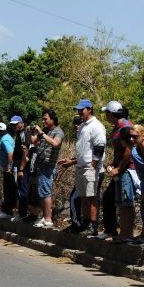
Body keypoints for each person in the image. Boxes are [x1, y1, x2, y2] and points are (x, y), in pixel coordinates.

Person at [58, 99, 106, 236]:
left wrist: (93, 165)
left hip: (91, 168)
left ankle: (93, 226)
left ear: (89, 109)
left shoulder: (96, 126)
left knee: (91, 197)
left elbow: (100, 146)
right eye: (78, 110)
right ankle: (86, 223)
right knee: (84, 196)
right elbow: (84, 149)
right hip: (81, 166)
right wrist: (73, 161)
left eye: (82, 110)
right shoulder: (83, 126)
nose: (79, 112)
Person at [101, 100, 135, 242]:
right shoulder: (116, 128)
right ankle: (115, 231)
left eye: (106, 113)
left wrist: (119, 168)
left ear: (111, 114)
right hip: (119, 170)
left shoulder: (126, 127)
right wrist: (112, 165)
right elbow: (119, 152)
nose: (105, 116)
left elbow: (129, 149)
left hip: (127, 170)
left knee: (126, 202)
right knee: (113, 200)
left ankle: (126, 234)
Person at [28, 109, 64, 228]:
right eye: (42, 119)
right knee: (41, 192)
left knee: (45, 192)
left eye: (45, 119)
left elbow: (55, 143)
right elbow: (32, 141)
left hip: (49, 166)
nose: (43, 121)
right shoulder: (46, 131)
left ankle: (48, 219)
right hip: (41, 165)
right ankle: (44, 217)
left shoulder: (58, 131)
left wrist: (42, 133)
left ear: (52, 119)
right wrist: (29, 131)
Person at [0, 122, 15, 219]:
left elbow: (10, 153)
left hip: (8, 169)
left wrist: (9, 167)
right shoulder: (7, 137)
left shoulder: (5, 139)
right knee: (9, 189)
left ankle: (7, 211)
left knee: (8, 190)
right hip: (8, 168)